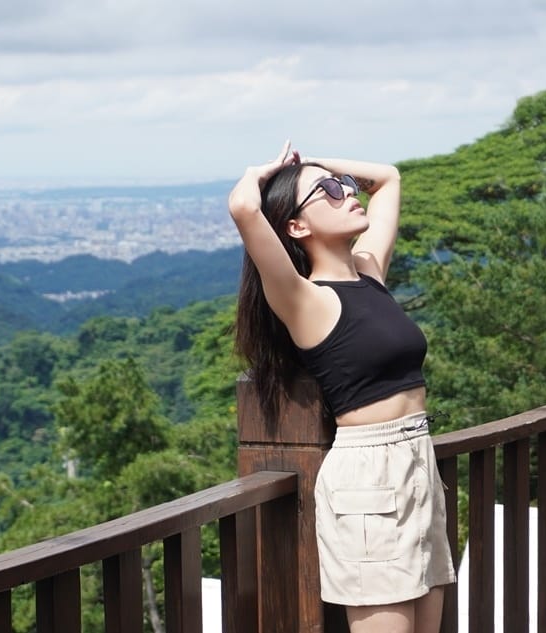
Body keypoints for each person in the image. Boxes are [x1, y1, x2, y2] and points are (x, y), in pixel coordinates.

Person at [228, 140, 456, 633]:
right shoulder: (305, 300)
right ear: (297, 227)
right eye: (329, 192)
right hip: (368, 477)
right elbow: (244, 207)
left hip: (418, 460)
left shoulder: (370, 275)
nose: (348, 193)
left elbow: (388, 178)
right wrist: (267, 171)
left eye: (345, 186)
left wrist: (318, 165)